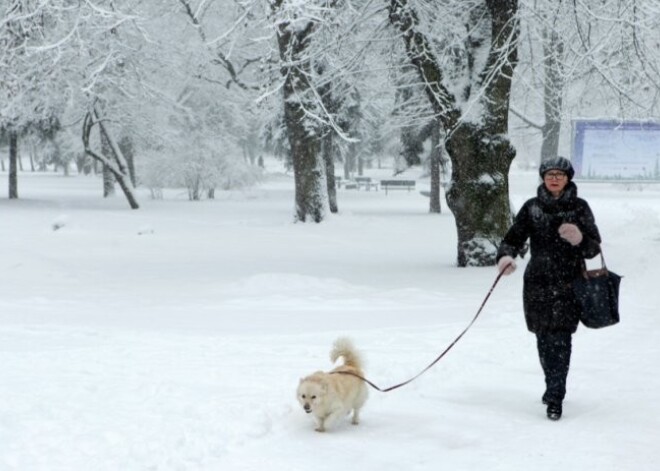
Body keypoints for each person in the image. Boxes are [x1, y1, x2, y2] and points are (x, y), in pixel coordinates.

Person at [496, 156, 601, 421]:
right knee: (543, 339)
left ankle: (556, 396)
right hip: (537, 284)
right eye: (549, 174)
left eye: (560, 174)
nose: (554, 178)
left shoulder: (579, 208)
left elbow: (593, 248)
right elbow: (513, 239)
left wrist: (580, 238)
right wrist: (506, 257)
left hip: (569, 283)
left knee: (561, 339)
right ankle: (551, 383)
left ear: (568, 178)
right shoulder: (532, 208)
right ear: (543, 177)